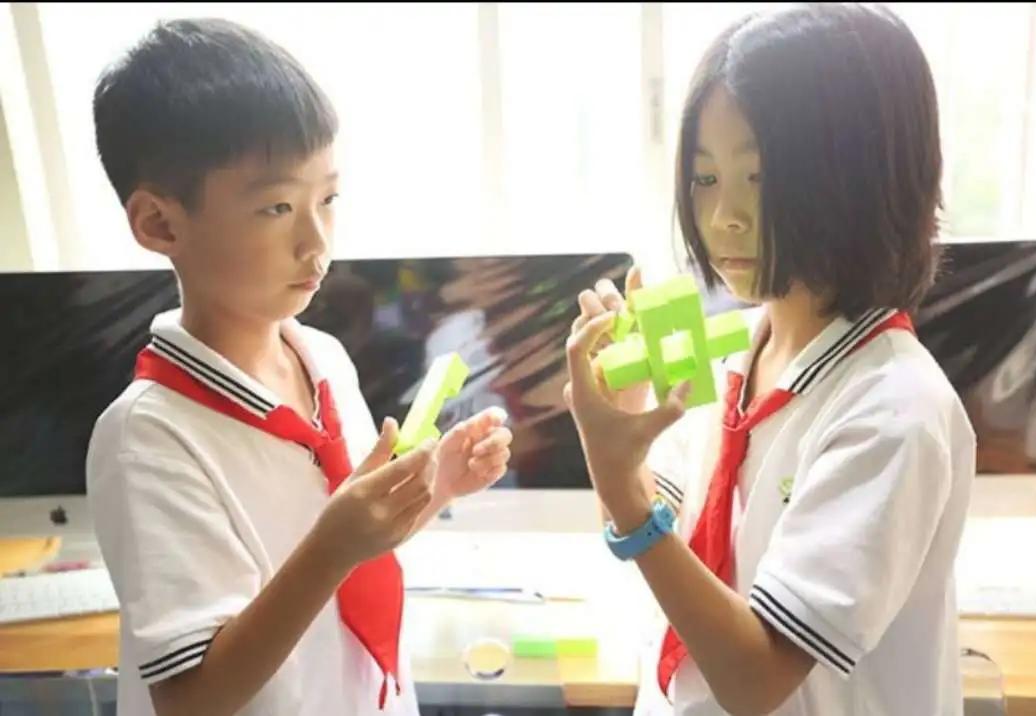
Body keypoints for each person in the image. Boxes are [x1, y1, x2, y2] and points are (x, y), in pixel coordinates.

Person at [86, 17, 512, 716]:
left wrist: (436, 489)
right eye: (277, 207)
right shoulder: (146, 439)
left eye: (328, 199)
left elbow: (350, 559)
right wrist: (333, 547)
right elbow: (192, 699)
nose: (317, 244)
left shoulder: (323, 358)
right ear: (160, 224)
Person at [564, 4, 976, 715]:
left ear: (863, 178)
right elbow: (660, 530)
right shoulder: (738, 352)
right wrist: (620, 433)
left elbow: (756, 679)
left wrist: (622, 491)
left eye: (758, 178)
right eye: (705, 178)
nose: (723, 216)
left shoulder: (894, 411)